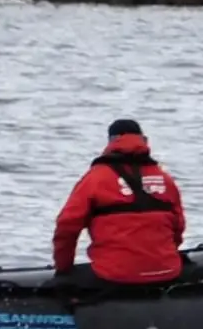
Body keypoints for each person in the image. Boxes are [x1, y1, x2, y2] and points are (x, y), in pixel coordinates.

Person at [53, 116, 186, 290]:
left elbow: (67, 226)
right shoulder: (165, 179)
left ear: (111, 142)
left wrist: (63, 269)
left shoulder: (96, 178)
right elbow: (178, 227)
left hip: (114, 275)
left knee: (59, 285)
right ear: (143, 140)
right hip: (167, 271)